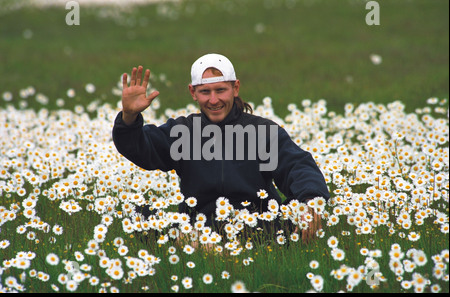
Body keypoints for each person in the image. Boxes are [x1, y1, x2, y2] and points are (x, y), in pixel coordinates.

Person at [112, 53, 329, 243]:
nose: (213, 100)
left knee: (293, 215)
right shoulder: (183, 132)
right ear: (192, 92)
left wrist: (309, 202)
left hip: (257, 226)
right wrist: (129, 117)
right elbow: (141, 147)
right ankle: (199, 244)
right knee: (136, 215)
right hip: (198, 225)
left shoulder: (261, 132)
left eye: (220, 90)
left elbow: (297, 165)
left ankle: (206, 247)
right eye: (205, 91)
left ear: (235, 88)